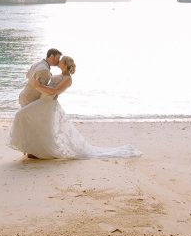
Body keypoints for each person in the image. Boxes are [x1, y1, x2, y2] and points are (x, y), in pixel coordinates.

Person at [8, 55, 140, 160]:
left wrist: (38, 86)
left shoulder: (68, 79)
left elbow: (55, 91)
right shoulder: (60, 74)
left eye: (61, 61)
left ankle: (39, 151)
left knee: (22, 115)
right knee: (40, 127)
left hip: (47, 103)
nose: (58, 61)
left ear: (65, 64)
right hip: (43, 101)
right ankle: (34, 150)